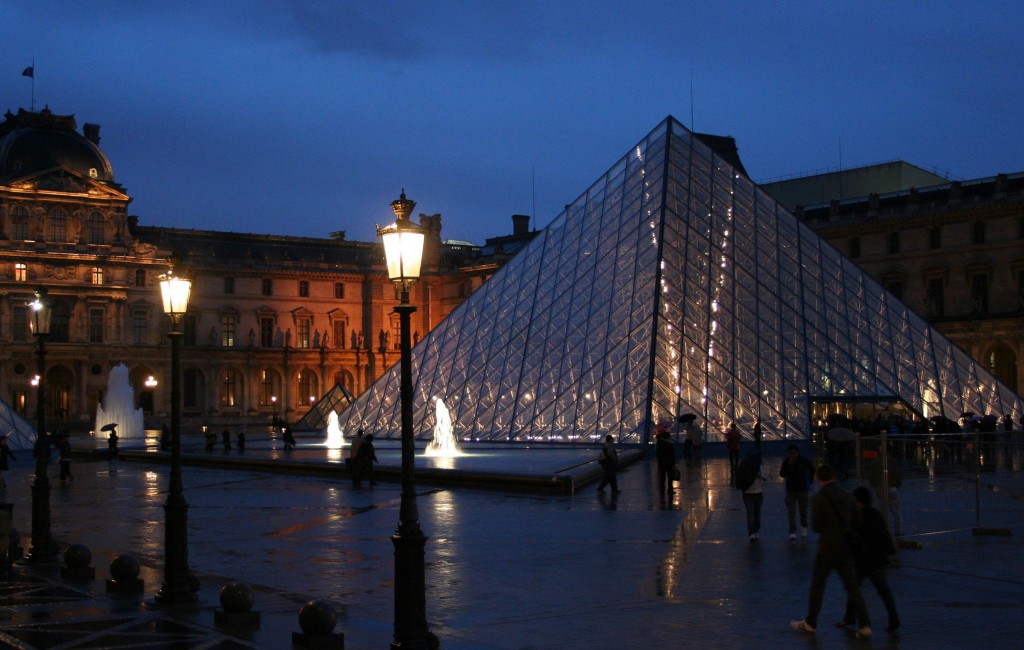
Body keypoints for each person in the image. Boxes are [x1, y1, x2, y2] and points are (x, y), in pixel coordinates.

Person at [791, 464, 872, 639]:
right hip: (846, 547)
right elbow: (858, 520)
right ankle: (865, 625)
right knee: (852, 587)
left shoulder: (818, 498)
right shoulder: (847, 495)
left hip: (827, 547)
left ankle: (811, 621)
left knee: (818, 585)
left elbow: (817, 526)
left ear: (819, 478)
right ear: (834, 476)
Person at [839, 487, 900, 633]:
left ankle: (849, 617)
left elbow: (854, 538)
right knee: (884, 592)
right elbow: (884, 534)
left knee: (854, 589)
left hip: (863, 560)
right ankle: (894, 619)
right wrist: (889, 551)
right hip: (878, 559)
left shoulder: (857, 517)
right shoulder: (876, 514)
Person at [779, 444, 816, 541]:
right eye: (790, 453)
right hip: (791, 489)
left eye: (794, 453)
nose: (792, 455)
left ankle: (803, 527)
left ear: (797, 452)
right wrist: (789, 466)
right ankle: (793, 531)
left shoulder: (803, 461)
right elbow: (782, 474)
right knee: (792, 511)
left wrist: (810, 480)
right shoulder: (787, 461)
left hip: (801, 488)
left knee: (803, 510)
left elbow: (812, 469)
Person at [868, 443, 904, 537]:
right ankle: (899, 530)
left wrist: (874, 484)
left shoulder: (876, 461)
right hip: (891, 487)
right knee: (896, 510)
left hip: (880, 487)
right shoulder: (893, 461)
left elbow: (872, 476)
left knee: (882, 510)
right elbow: (897, 474)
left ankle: (884, 530)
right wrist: (896, 484)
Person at [739, 451, 764, 542]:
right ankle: (753, 533)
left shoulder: (746, 466)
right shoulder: (758, 466)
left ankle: (754, 532)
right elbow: (763, 477)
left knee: (753, 514)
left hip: (750, 493)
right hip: (755, 493)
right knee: (754, 514)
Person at [655, 430, 676, 497]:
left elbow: (658, 455)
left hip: (662, 463)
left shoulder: (659, 444)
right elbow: (672, 455)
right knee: (670, 477)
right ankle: (670, 490)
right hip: (669, 463)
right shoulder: (670, 445)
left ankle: (662, 490)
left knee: (662, 478)